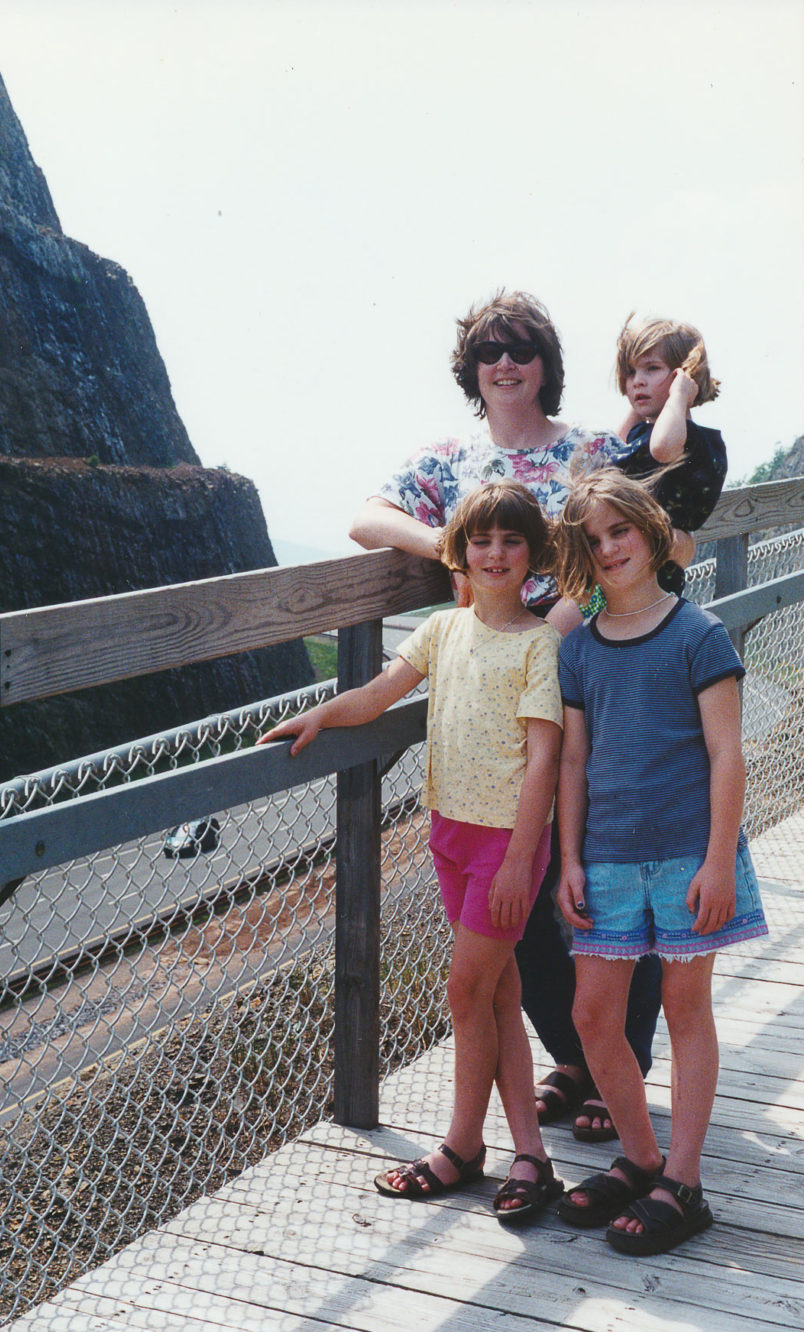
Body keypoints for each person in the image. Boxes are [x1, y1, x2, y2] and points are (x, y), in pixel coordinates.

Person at [349, 288, 661, 1142]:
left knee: (593, 875)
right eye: (491, 350)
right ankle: (570, 1057)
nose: (506, 362)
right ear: (473, 370)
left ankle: (615, 1065)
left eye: (522, 348)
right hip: (497, 709)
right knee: (512, 894)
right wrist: (449, 540)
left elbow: (639, 533)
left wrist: (557, 623)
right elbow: (366, 517)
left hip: (590, 680)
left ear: (546, 365)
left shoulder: (592, 450)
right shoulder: (449, 460)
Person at [262, 482, 566, 1224]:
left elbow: (544, 761)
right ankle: (531, 1152)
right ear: (458, 552)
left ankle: (463, 1147)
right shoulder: (443, 631)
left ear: (534, 555)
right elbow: (377, 693)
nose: (494, 555)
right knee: (497, 993)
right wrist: (317, 717)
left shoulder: (539, 645)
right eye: (481, 541)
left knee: (467, 991)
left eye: (511, 542)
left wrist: (524, 860)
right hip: (449, 833)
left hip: (505, 843)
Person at [553, 467, 768, 1255]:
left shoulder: (698, 635)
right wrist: (569, 858)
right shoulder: (578, 651)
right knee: (591, 1016)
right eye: (593, 539)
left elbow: (726, 755)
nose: (610, 548)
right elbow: (573, 764)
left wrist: (718, 862)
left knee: (685, 1011)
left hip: (687, 857)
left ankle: (684, 1180)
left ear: (647, 532)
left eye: (621, 530)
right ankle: (639, 1154)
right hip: (607, 858)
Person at [609, 313, 726, 597]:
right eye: (631, 372)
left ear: (681, 379)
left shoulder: (689, 440)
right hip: (622, 565)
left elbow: (661, 450)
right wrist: (638, 407)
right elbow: (611, 451)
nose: (637, 381)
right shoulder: (644, 433)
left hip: (657, 581)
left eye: (651, 369)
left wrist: (679, 396)